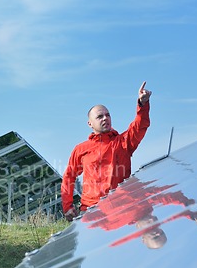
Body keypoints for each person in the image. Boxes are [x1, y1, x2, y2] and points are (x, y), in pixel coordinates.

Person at [61, 81, 152, 221]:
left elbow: (140, 126)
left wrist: (142, 104)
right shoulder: (81, 149)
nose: (105, 118)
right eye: (99, 116)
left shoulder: (123, 142)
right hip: (91, 213)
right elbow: (69, 176)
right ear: (90, 124)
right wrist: (67, 206)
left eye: (107, 115)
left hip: (123, 211)